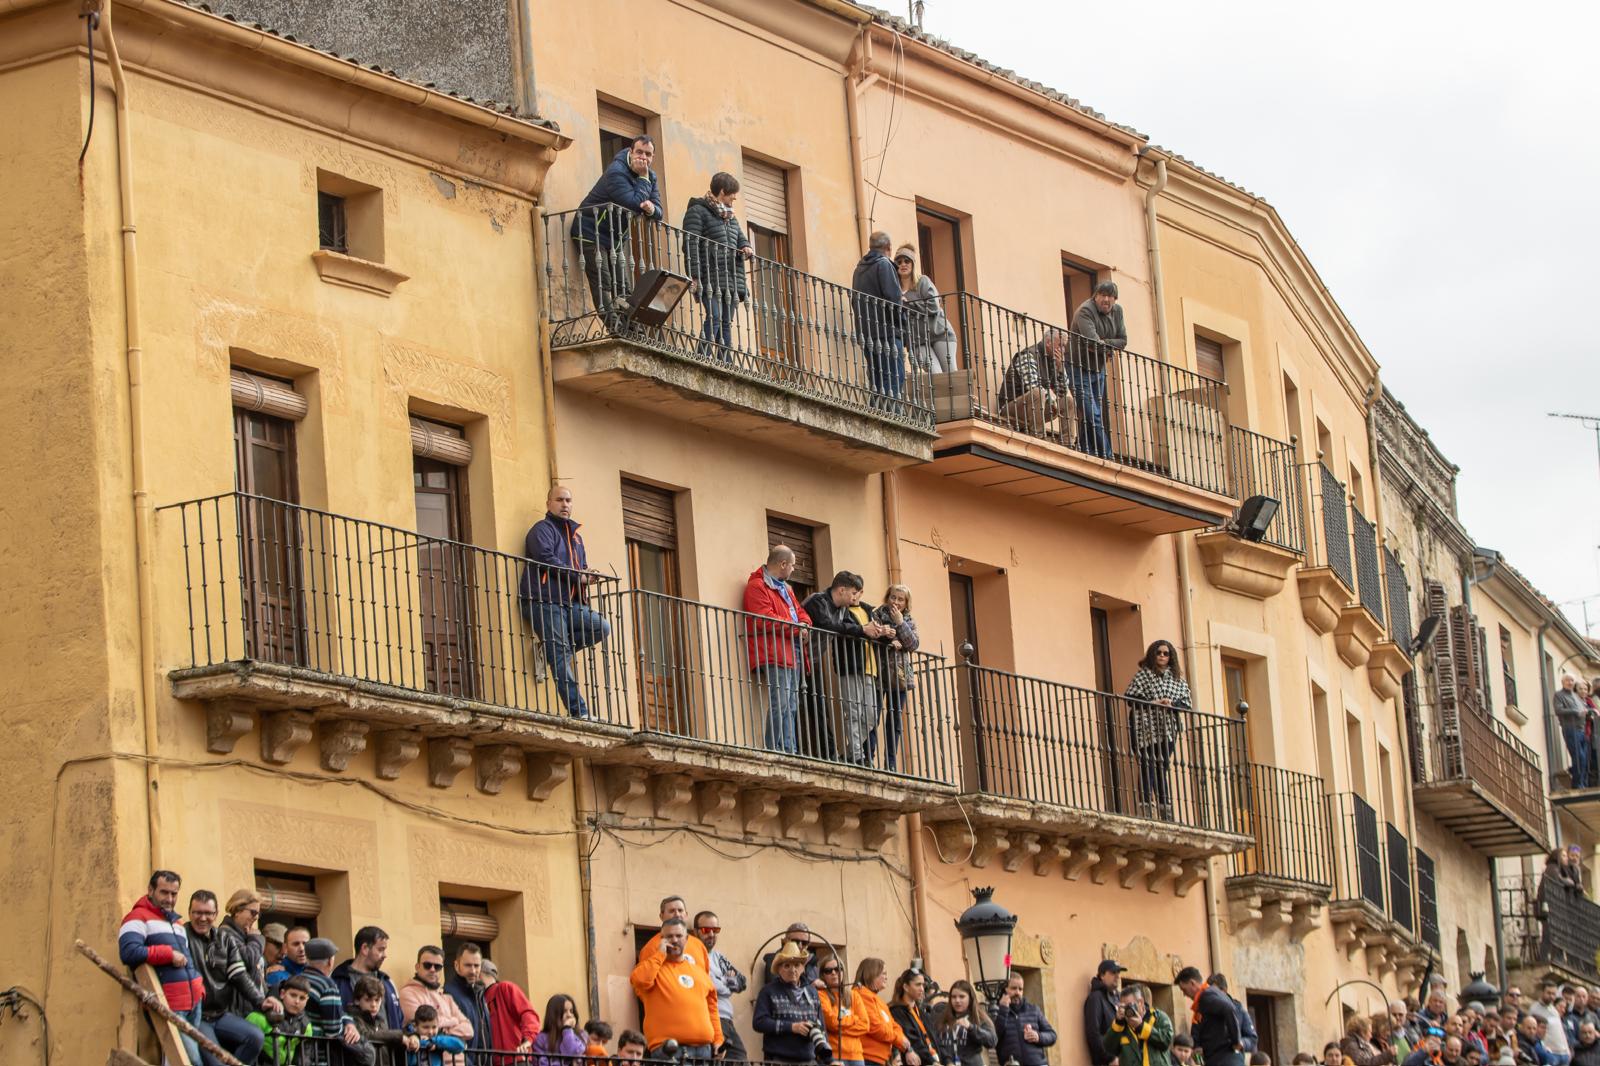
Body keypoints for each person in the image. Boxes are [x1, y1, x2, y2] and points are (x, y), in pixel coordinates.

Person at [519, 484, 612, 719]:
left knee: (601, 627)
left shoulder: (576, 538)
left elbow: (580, 568)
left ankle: (547, 651)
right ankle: (579, 712)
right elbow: (546, 558)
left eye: (568, 501)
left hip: (569, 604)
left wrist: (587, 576)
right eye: (559, 500)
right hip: (544, 600)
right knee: (560, 655)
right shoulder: (542, 530)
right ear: (548, 503)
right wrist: (578, 575)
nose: (565, 504)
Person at [803, 571, 893, 766]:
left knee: (867, 715)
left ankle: (847, 753)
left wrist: (880, 632)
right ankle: (839, 753)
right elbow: (828, 625)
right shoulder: (818, 601)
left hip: (813, 660)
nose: (855, 597)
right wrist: (863, 629)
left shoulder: (843, 610)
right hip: (797, 656)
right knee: (804, 705)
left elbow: (854, 628)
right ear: (842, 590)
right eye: (853, 593)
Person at [119, 870, 208, 1066]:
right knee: (191, 1061)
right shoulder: (136, 917)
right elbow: (128, 952)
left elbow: (187, 959)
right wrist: (168, 954)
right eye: (164, 892)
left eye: (174, 894)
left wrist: (199, 986)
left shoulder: (177, 923)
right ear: (150, 890)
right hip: (169, 1004)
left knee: (174, 1061)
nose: (169, 899)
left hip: (193, 1003)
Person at [570, 134, 662, 314]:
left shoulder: (651, 176)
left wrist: (652, 209)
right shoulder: (616, 172)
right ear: (631, 152)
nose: (643, 158)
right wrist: (643, 178)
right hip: (590, 232)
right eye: (639, 152)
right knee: (603, 282)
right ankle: (614, 326)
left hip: (615, 239)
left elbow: (659, 211)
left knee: (623, 286)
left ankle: (629, 327)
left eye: (648, 154)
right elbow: (633, 204)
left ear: (653, 157)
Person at [186, 888, 271, 1065]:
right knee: (216, 1061)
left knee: (255, 1037)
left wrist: (261, 1001)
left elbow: (239, 975)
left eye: (208, 913)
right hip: (197, 1015)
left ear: (216, 914)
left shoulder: (225, 939)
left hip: (221, 1014)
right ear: (189, 913)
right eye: (197, 913)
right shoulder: (182, 936)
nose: (203, 918)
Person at [746, 546, 813, 756]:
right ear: (783, 564)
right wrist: (797, 628)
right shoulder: (757, 586)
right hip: (774, 651)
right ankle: (773, 749)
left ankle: (789, 749)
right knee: (781, 703)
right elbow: (764, 618)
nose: (793, 570)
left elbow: (801, 612)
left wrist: (804, 624)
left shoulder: (787, 589)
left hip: (792, 650)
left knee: (791, 704)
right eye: (792, 565)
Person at [682, 171, 753, 359]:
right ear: (722, 191)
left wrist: (746, 246)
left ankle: (725, 364)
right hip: (709, 277)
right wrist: (695, 276)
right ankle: (701, 358)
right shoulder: (697, 211)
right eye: (732, 194)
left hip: (731, 279)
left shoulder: (731, 217)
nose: (734, 198)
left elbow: (740, 238)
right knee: (714, 317)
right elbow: (690, 245)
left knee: (725, 323)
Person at [631, 917, 722, 1058]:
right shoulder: (653, 968)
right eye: (669, 936)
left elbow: (712, 1009)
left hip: (704, 1050)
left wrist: (718, 1040)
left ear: (686, 939)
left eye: (679, 936)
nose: (674, 940)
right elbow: (640, 981)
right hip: (669, 1050)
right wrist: (660, 954)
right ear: (661, 940)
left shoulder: (699, 971)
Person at [1123, 640, 1190, 819]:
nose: (1162, 656)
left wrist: (1171, 703)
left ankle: (1165, 810)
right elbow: (1130, 698)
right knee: (1147, 766)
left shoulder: (1178, 680)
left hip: (1167, 729)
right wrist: (1154, 702)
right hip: (1145, 726)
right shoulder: (1143, 675)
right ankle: (1146, 808)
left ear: (1170, 657)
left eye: (1165, 653)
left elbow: (1186, 703)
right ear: (1153, 655)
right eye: (1158, 652)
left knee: (1162, 767)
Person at [1068, 280, 1127, 457]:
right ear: (1096, 296)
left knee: (1091, 415)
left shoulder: (1118, 311)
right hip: (1078, 368)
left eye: (1110, 296)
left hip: (1098, 368)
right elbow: (1092, 342)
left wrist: (1103, 343)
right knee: (1092, 413)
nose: (1106, 299)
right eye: (1103, 295)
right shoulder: (1085, 311)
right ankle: (1107, 455)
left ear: (1115, 299)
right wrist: (1103, 346)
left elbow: (1123, 340)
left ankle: (1085, 449)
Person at [869, 583, 921, 771]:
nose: (896, 602)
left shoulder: (908, 621)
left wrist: (900, 623)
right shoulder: (876, 615)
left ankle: (890, 763)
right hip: (878, 673)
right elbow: (871, 636)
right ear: (887, 597)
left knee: (895, 722)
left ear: (906, 603)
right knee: (872, 717)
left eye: (900, 599)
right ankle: (869, 757)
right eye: (893, 597)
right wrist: (890, 639)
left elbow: (913, 644)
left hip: (899, 677)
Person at [851, 231, 907, 404]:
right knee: (894, 378)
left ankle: (876, 414)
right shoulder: (884, 265)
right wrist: (903, 324)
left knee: (877, 381)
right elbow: (893, 299)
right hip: (887, 332)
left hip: (867, 333)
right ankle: (891, 416)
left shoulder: (859, 269)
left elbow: (855, 301)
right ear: (888, 248)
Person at [754, 941, 827, 1064]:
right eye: (787, 966)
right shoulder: (768, 991)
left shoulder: (812, 992)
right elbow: (759, 1022)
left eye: (797, 965)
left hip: (809, 1061)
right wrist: (792, 1027)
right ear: (779, 969)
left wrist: (829, 1060)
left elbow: (822, 1028)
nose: (793, 970)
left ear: (803, 968)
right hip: (779, 1060)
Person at [996, 330, 1072, 440]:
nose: (1063, 350)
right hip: (1012, 409)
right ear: (1048, 343)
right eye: (1060, 345)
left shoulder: (1053, 361)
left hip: (1033, 409)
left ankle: (1068, 442)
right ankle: (1039, 436)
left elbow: (1062, 393)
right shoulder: (1028, 355)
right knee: (1037, 392)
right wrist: (1053, 403)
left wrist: (1060, 368)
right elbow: (1033, 386)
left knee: (1068, 401)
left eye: (1064, 346)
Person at [695, 910, 750, 1062]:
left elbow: (742, 982)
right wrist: (726, 983)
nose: (711, 934)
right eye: (706, 930)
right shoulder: (694, 955)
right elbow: (709, 985)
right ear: (696, 931)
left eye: (715, 930)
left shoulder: (718, 957)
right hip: (710, 1017)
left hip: (727, 1019)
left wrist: (725, 982)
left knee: (740, 1059)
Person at [895, 245, 956, 374]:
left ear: (912, 264)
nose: (903, 264)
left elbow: (933, 306)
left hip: (940, 333)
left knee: (951, 374)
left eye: (907, 261)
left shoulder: (922, 281)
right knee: (935, 375)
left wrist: (908, 305)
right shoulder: (895, 289)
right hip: (917, 340)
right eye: (899, 262)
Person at [335, 926, 405, 1035]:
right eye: (380, 949)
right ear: (365, 948)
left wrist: (413, 1035)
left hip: (390, 1045)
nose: (385, 955)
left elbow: (399, 1021)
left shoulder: (387, 982)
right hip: (357, 1045)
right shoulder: (338, 981)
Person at [400, 946, 475, 1044]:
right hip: (427, 1053)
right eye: (427, 965)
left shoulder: (446, 997)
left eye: (437, 967)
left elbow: (469, 1030)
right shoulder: (408, 993)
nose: (432, 969)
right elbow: (419, 1025)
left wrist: (443, 1032)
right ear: (417, 967)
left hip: (452, 1053)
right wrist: (453, 1021)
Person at [301, 937, 362, 1048]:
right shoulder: (327, 986)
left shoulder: (297, 979)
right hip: (318, 1052)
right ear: (330, 961)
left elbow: (338, 1013)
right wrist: (348, 1029)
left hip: (295, 1048)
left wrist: (348, 1021)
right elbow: (333, 1030)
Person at [856, 957, 917, 1066]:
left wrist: (903, 1042)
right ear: (872, 974)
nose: (886, 977)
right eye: (883, 973)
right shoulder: (861, 995)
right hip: (868, 1058)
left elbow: (894, 1026)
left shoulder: (878, 1000)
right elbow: (875, 1027)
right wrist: (899, 1039)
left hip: (879, 1059)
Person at [1177, 967, 1242, 1066]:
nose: (1184, 994)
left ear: (1192, 983)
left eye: (1184, 990)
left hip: (1222, 1059)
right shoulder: (1211, 993)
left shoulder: (1206, 996)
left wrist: (1236, 1041)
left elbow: (1228, 1009)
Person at [351, 973, 419, 1066]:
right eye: (368, 1000)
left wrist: (413, 1036)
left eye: (377, 1000)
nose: (373, 1005)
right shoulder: (352, 1018)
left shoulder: (380, 1020)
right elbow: (366, 1034)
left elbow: (391, 1032)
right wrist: (399, 1037)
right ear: (357, 1000)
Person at [818, 952, 872, 1066]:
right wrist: (854, 1019)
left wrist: (839, 1027)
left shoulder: (854, 995)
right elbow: (831, 1023)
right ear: (823, 975)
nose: (833, 973)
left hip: (856, 1056)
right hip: (834, 1055)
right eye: (828, 971)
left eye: (837, 969)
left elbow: (865, 1025)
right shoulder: (821, 995)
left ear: (843, 971)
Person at [249, 974, 314, 1066]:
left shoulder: (306, 1025)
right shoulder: (258, 1017)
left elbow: (304, 1056)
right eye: (293, 995)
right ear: (282, 994)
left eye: (302, 998)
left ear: (307, 1000)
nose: (297, 1001)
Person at [994, 972, 1057, 1066]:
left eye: (1020, 989)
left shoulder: (1034, 1010)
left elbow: (1052, 1035)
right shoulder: (996, 1011)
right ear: (1004, 989)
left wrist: (1038, 1036)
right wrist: (1003, 1010)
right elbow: (994, 1037)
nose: (1017, 992)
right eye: (1013, 988)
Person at [481, 958, 541, 1054]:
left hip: (516, 1056)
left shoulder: (504, 988)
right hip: (496, 1058)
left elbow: (528, 1014)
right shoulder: (479, 999)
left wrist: (528, 1040)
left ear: (481, 973)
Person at [1104, 982, 1173, 1066]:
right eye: (1123, 1006)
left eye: (1129, 1005)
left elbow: (1166, 1041)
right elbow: (1109, 1048)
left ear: (1141, 1002)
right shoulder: (1121, 1025)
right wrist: (1118, 1023)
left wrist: (1141, 1026)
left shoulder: (1158, 1017)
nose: (1127, 1009)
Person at [218, 890, 269, 1001]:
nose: (256, 917)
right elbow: (248, 960)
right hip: (239, 1005)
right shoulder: (225, 933)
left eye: (259, 914)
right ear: (237, 911)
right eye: (253, 912)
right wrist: (256, 938)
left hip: (253, 1002)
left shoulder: (244, 935)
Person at [442, 942, 490, 1053]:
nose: (473, 971)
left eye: (476, 966)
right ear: (456, 965)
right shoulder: (448, 993)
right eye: (468, 965)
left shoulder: (479, 993)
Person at [640, 896, 712, 969]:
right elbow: (645, 975)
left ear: (686, 914)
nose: (677, 914)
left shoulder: (699, 945)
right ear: (661, 916)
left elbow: (705, 974)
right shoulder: (651, 947)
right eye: (672, 911)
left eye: (680, 910)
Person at [1085, 960, 1127, 1066]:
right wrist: (1110, 1058)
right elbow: (1093, 1034)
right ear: (1102, 975)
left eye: (1118, 973)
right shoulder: (1095, 998)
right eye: (1113, 973)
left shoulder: (1119, 997)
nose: (1117, 976)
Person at [533, 993, 588, 1066]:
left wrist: (567, 1029)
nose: (569, 1015)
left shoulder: (581, 1035)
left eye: (571, 1011)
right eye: (564, 1011)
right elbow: (541, 1063)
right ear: (554, 1015)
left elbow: (572, 1052)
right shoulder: (541, 1038)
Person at [1557, 676, 1590, 789]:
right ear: (1563, 682)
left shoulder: (1575, 697)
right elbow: (1558, 710)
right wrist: (1576, 711)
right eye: (1567, 680)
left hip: (1581, 730)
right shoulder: (1559, 695)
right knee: (1579, 757)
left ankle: (1582, 783)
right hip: (1570, 729)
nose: (1570, 682)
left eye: (1572, 680)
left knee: (1584, 758)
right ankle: (1577, 784)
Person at [1210, 975, 1258, 1055]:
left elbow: (1252, 1040)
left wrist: (1242, 1043)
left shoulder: (1239, 1010)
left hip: (1233, 1057)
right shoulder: (1204, 1010)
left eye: (1214, 992)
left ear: (1224, 991)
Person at [1532, 983, 1572, 1066]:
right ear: (1542, 992)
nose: (1551, 996)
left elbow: (1560, 1031)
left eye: (1553, 994)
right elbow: (1534, 1032)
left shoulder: (1554, 1010)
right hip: (1551, 1054)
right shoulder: (1535, 1009)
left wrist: (1567, 1049)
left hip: (1563, 1054)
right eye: (1549, 993)